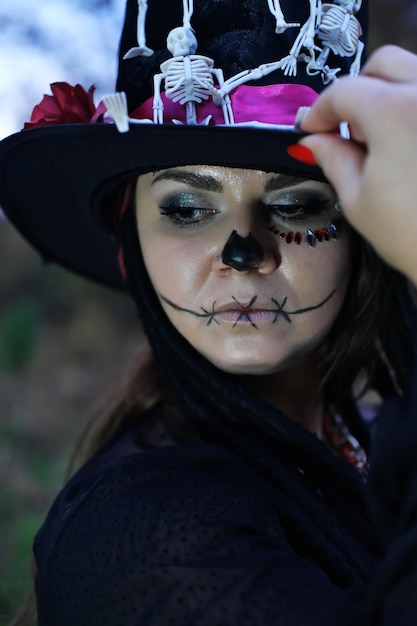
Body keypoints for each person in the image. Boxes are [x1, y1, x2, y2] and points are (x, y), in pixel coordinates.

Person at [1, 1, 417, 624]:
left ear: (367, 229)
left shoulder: (377, 433)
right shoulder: (144, 527)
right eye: (188, 209)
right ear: (132, 241)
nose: (244, 253)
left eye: (298, 204)